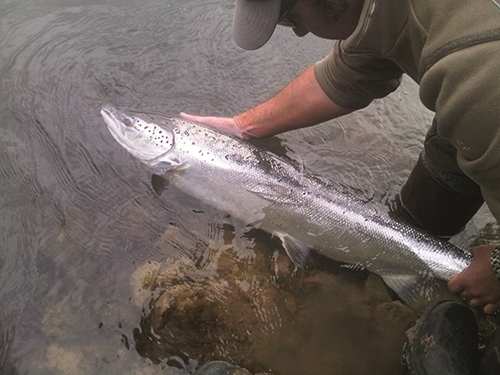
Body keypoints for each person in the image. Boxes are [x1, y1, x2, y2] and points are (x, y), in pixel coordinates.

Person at [182, 0, 500, 373]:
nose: (298, 32)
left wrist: (496, 264)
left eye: (290, 15)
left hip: (485, 115)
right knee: (450, 146)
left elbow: (481, 107)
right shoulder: (385, 14)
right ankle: (405, 253)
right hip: (476, 124)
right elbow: (342, 77)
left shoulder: (477, 81)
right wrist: (242, 127)